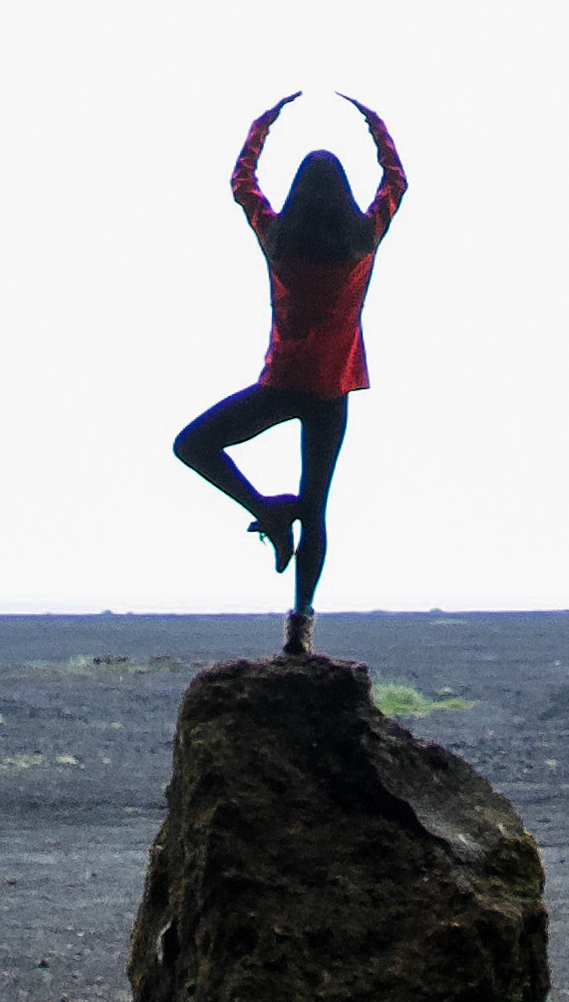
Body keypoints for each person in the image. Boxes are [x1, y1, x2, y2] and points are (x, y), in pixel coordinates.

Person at [171, 89, 406, 655]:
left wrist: (263, 124)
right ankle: (299, 631)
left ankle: (268, 511)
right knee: (316, 507)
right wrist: (374, 122)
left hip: (280, 385)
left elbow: (242, 184)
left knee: (192, 445)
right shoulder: (364, 239)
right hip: (332, 391)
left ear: (297, 193)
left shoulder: (278, 239)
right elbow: (396, 182)